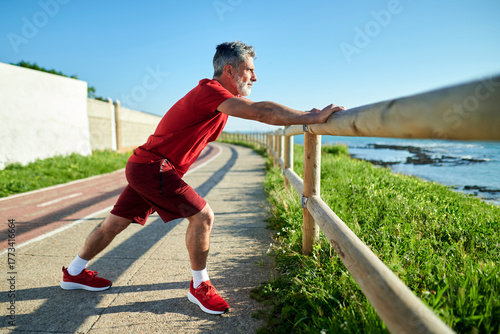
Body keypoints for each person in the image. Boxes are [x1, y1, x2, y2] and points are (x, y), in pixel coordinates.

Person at [60, 41, 345, 315]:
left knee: (114, 224)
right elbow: (261, 112)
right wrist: (313, 115)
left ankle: (73, 273)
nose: (255, 77)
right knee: (203, 216)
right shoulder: (211, 92)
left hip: (144, 165)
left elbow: (256, 110)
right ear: (229, 71)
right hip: (153, 167)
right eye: (250, 70)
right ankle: (199, 285)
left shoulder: (217, 99)